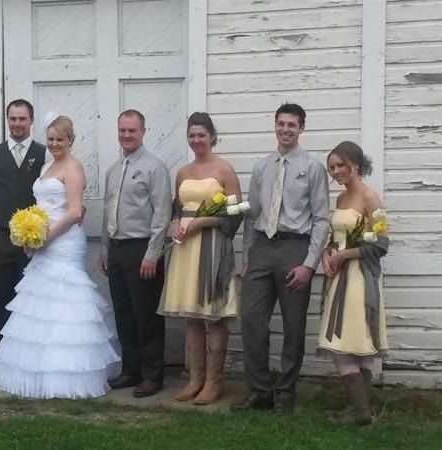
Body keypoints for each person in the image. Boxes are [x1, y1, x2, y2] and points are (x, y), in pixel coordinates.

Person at [0, 116, 119, 398]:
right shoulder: (46, 167)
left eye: (60, 139)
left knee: (64, 301)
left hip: (64, 241)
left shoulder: (73, 167)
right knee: (40, 303)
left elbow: (74, 212)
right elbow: (40, 207)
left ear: (71, 140)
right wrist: (29, 235)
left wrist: (44, 239)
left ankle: (67, 375)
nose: (55, 144)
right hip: (42, 240)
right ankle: (37, 370)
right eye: (50, 139)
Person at [234, 103, 330, 413]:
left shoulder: (312, 168)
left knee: (293, 325)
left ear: (301, 128)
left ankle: (286, 392)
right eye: (281, 123)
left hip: (295, 250)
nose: (286, 129)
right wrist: (248, 257)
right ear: (274, 125)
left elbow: (321, 219)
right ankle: (259, 391)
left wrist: (309, 264)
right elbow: (252, 215)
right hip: (262, 248)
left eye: (292, 124)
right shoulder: (262, 167)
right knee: (252, 320)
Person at [158, 112, 242, 405]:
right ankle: (194, 379)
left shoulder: (225, 170)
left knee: (213, 317)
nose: (196, 140)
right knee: (192, 317)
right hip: (186, 249)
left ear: (212, 137)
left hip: (213, 246)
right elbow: (177, 209)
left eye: (201, 135)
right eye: (192, 135)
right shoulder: (182, 172)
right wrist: (174, 224)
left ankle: (214, 382)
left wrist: (202, 222)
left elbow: (235, 214)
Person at [0, 99, 48, 384]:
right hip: (1, 237)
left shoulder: (44, 154)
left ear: (31, 120)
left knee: (31, 304)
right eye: (13, 119)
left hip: (35, 243)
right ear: (7, 121)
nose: (17, 124)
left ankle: (29, 364)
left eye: (22, 119)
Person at [99, 110, 172, 398]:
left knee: (146, 315)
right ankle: (131, 370)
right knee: (124, 313)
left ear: (143, 132)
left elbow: (162, 214)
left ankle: (152, 375)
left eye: (132, 130)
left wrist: (153, 254)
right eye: (122, 130)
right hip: (117, 249)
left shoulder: (155, 168)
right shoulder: (113, 170)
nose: (126, 135)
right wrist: (105, 249)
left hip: (142, 249)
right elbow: (108, 212)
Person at [318, 141, 388, 425]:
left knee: (349, 340)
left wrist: (345, 255)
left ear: (355, 166)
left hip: (359, 279)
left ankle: (360, 411)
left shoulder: (370, 197)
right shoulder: (340, 200)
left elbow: (381, 243)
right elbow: (336, 238)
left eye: (340, 166)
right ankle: (360, 409)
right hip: (339, 278)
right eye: (332, 167)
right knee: (351, 341)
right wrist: (327, 253)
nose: (336, 171)